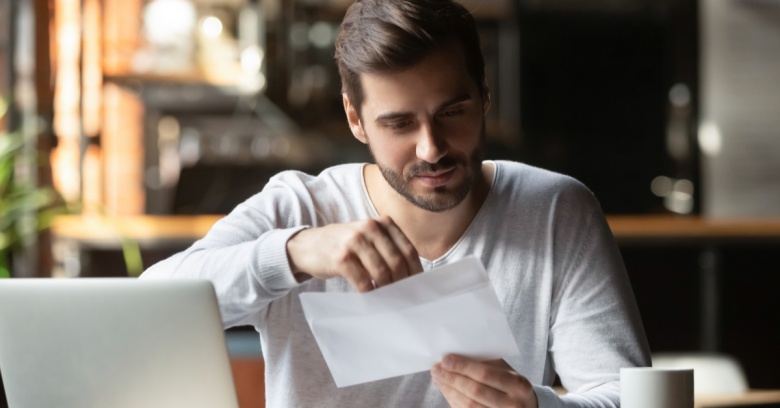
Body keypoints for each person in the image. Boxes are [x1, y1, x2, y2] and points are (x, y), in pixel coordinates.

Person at [141, 0, 650, 406]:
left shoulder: (556, 211)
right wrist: (294, 253)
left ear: (486, 96)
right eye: (400, 123)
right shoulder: (299, 208)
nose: (432, 148)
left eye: (452, 112)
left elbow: (625, 395)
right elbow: (152, 307)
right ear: (355, 119)